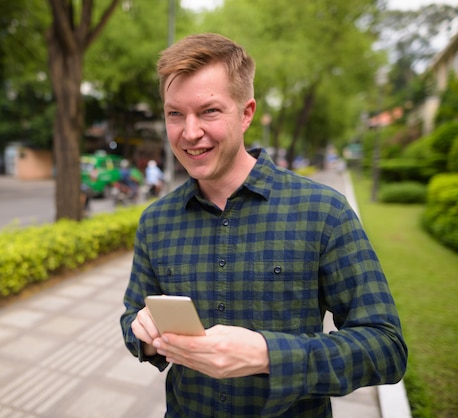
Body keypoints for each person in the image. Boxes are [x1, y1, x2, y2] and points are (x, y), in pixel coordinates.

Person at [120, 33, 407, 417]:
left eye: (209, 111)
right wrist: (147, 337)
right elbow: (131, 317)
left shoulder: (323, 211)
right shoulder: (155, 221)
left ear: (246, 113)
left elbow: (385, 348)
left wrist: (268, 355)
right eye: (175, 114)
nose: (189, 132)